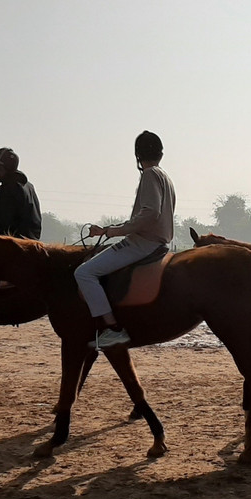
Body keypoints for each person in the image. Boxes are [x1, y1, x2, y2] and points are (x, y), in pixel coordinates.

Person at [74, 131, 175, 351]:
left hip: (143, 243)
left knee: (83, 273)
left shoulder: (149, 175)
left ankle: (114, 328)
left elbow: (149, 214)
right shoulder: (165, 176)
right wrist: (107, 229)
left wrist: (112, 232)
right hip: (160, 242)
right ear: (160, 153)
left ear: (137, 155)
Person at [0, 147, 42, 240]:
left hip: (14, 244)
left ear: (5, 168)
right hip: (31, 243)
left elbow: (2, 224)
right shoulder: (29, 186)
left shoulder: (8, 187)